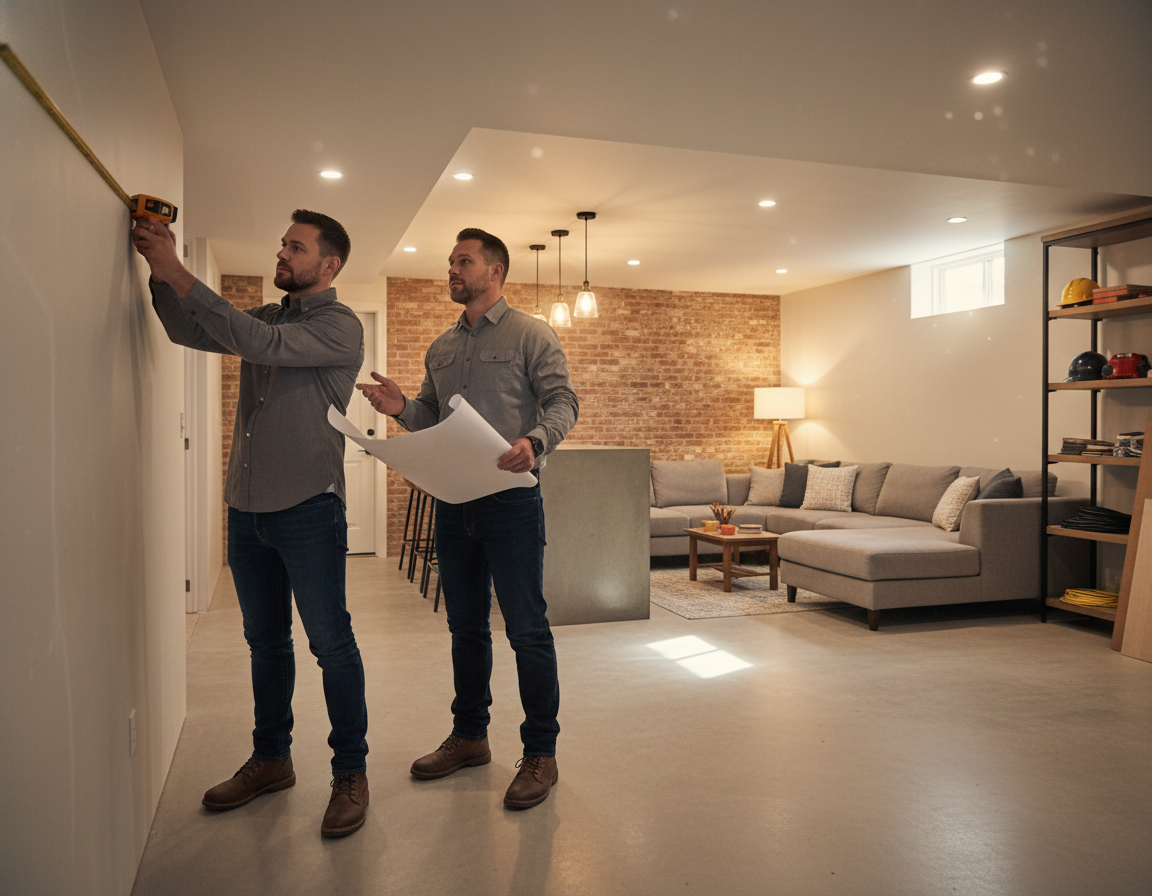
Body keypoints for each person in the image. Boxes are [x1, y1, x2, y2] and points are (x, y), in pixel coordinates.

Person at [132, 209, 370, 837]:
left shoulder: (340, 325)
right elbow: (190, 331)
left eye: (297, 246)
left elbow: (256, 345)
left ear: (330, 264)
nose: (284, 253)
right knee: (265, 644)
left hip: (310, 508)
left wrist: (178, 268)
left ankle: (350, 771)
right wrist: (161, 271)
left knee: (331, 645)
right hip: (248, 509)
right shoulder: (266, 315)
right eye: (283, 243)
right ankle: (272, 759)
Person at [357, 228, 578, 809]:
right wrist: (401, 406)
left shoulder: (533, 334)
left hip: (511, 502)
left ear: (496, 271)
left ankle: (541, 753)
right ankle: (470, 737)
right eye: (451, 260)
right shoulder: (441, 348)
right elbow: (431, 416)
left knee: (527, 628)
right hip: (454, 503)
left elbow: (564, 403)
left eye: (463, 261)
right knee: (465, 628)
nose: (452, 269)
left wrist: (536, 440)